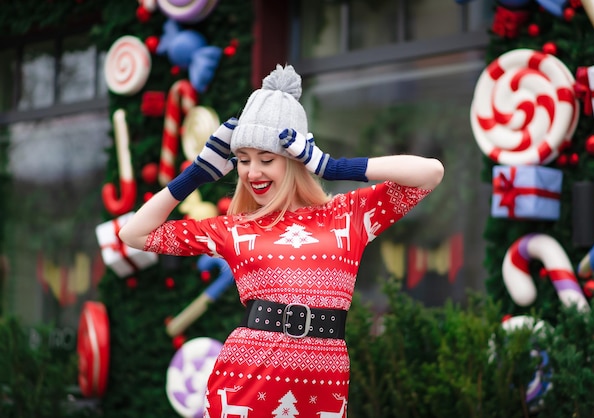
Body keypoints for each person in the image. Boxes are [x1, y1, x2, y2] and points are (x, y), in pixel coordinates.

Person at [119, 64, 444, 418]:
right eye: (242, 160)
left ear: (295, 160)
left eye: (266, 159)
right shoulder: (236, 228)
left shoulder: (348, 215)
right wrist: (196, 175)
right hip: (247, 380)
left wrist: (335, 168)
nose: (252, 172)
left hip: (324, 384)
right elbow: (134, 234)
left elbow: (430, 174)